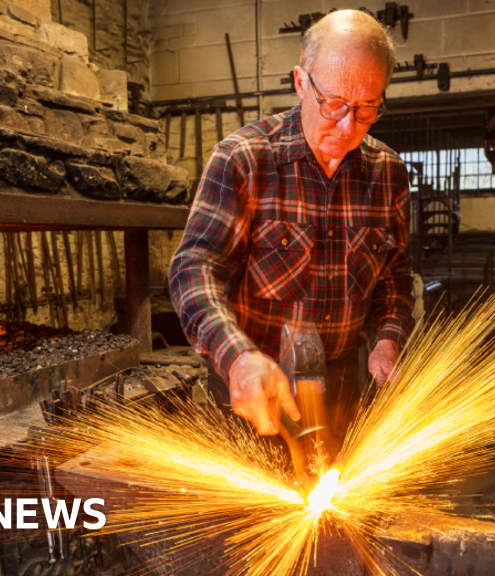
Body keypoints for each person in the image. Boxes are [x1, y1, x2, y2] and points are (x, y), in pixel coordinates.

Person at [167, 10, 415, 451]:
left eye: (367, 109)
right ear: (301, 82)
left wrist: (388, 340)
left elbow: (394, 276)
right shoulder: (243, 158)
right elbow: (193, 270)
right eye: (335, 104)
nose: (347, 126)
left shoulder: (388, 173)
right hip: (255, 384)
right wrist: (239, 358)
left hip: (341, 384)